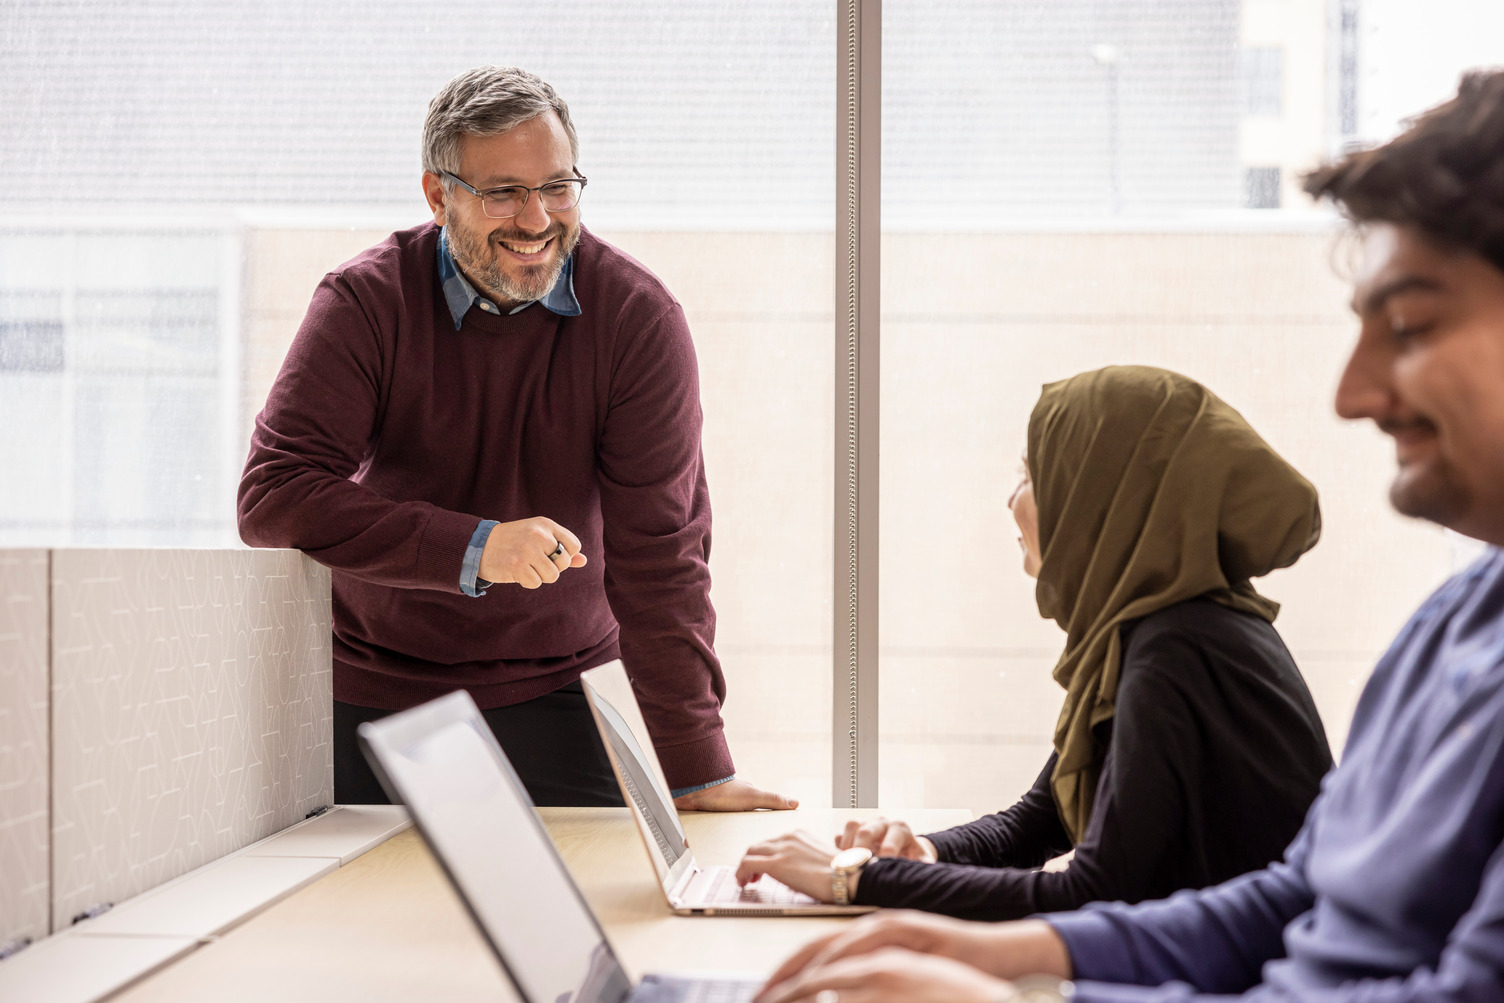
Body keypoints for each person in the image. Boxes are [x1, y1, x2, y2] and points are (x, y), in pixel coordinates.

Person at [752, 69, 1504, 1003]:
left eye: (1411, 323)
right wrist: (1014, 956)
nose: (1352, 393)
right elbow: (1286, 901)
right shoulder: (1451, 619)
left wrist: (880, 897)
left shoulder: (1185, 647)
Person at [237, 65, 791, 812]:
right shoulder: (365, 302)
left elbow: (661, 562)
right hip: (374, 691)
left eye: (558, 187)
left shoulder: (638, 320)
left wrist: (695, 768)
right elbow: (275, 495)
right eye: (503, 193)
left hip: (562, 688)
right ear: (438, 195)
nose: (537, 219)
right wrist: (476, 547)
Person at [734, 365, 1332, 919]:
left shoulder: (1178, 649)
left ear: (1100, 498)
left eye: (1030, 474)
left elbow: (1090, 896)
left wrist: (854, 882)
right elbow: (1036, 823)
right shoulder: (1158, 627)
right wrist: (917, 853)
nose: (1011, 498)